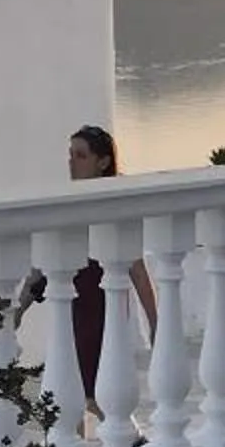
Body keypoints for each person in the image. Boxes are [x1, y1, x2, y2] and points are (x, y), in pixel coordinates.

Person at [21, 127, 156, 423]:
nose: (71, 162)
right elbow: (50, 249)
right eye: (70, 155)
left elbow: (138, 270)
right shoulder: (70, 199)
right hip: (72, 304)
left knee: (87, 391)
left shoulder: (115, 204)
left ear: (103, 162)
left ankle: (133, 441)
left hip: (100, 309)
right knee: (74, 390)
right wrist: (21, 304)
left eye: (80, 156)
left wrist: (156, 321)